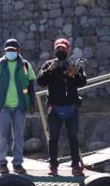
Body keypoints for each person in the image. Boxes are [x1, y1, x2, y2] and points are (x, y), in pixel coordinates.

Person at [37, 38, 88, 176]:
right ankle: (53, 165)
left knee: (73, 136)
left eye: (63, 49)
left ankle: (75, 165)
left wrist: (76, 73)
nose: (61, 51)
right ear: (55, 50)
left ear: (68, 50)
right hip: (55, 108)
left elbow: (82, 83)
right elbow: (40, 81)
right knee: (53, 137)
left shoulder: (74, 64)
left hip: (71, 106)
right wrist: (49, 70)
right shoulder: (49, 64)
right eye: (58, 49)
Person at [0, 38, 37, 175]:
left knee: (18, 135)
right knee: (1, 135)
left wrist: (32, 103)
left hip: (20, 106)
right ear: (4, 51)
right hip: (2, 106)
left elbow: (31, 85)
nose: (10, 52)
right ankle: (2, 163)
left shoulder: (25, 65)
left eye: (13, 50)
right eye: (8, 50)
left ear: (18, 51)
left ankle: (18, 163)